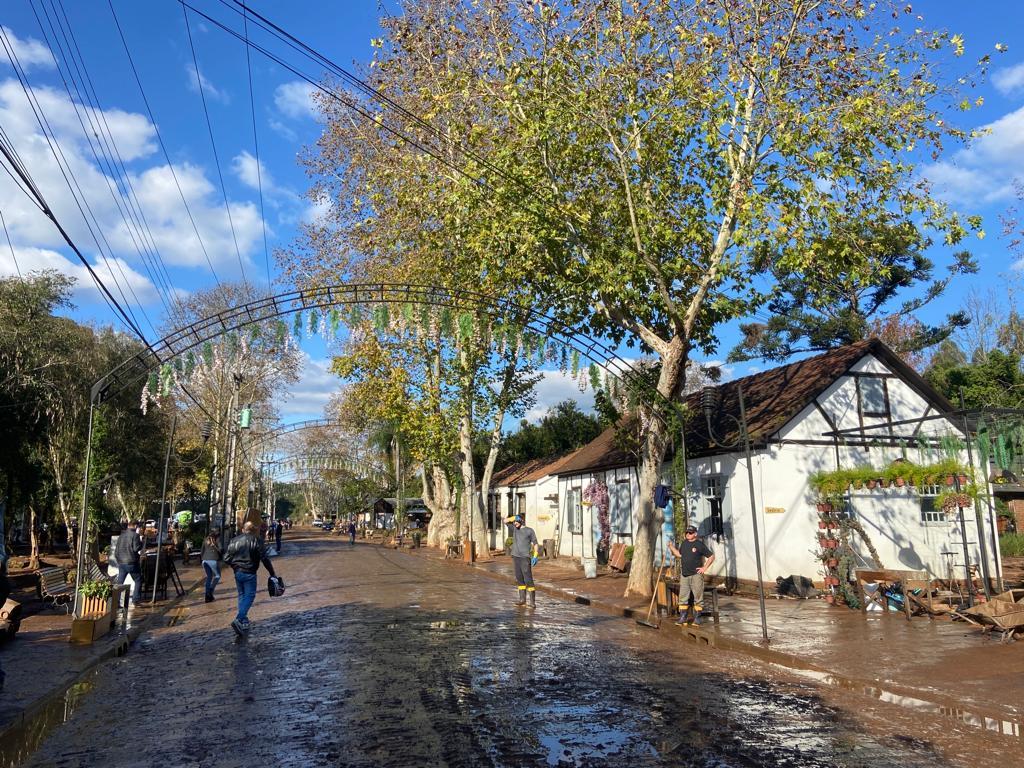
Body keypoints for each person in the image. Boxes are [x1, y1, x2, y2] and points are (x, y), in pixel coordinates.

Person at [223, 521, 278, 636]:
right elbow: (264, 558)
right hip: (250, 572)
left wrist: (235, 566)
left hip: (238, 572)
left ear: (243, 529)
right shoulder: (257, 540)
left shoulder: (234, 540)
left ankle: (243, 620)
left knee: (242, 595)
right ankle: (239, 618)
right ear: (253, 530)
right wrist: (272, 573)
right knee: (249, 595)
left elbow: (226, 558)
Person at [669, 525, 715, 626]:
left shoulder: (699, 544)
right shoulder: (684, 543)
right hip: (684, 575)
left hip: (696, 575)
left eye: (690, 533)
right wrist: (671, 547)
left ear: (695, 534)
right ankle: (683, 618)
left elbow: (711, 556)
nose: (688, 534)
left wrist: (704, 568)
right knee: (683, 597)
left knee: (698, 596)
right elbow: (680, 555)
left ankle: (697, 619)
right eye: (687, 533)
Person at [510, 514, 538, 608]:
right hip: (516, 557)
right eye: (514, 522)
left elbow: (535, 543)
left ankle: (532, 602)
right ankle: (522, 599)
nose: (515, 523)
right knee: (519, 578)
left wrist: (535, 555)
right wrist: (514, 517)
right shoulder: (514, 529)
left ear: (522, 521)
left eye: (517, 521)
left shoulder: (529, 531)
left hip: (525, 558)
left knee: (528, 579)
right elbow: (505, 520)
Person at [113, 521, 143, 606]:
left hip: (121, 563)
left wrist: (119, 560)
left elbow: (116, 550)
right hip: (131, 562)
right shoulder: (135, 535)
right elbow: (136, 548)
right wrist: (141, 541)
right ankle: (135, 600)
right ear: (135, 526)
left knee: (120, 582)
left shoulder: (121, 536)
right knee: (138, 580)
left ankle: (116, 601)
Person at [200, 531, 223, 603]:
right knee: (217, 576)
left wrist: (203, 558)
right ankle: (210, 590)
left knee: (209, 577)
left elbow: (201, 551)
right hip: (213, 560)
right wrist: (215, 546)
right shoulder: (217, 540)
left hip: (204, 561)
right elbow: (221, 550)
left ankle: (207, 596)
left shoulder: (205, 540)